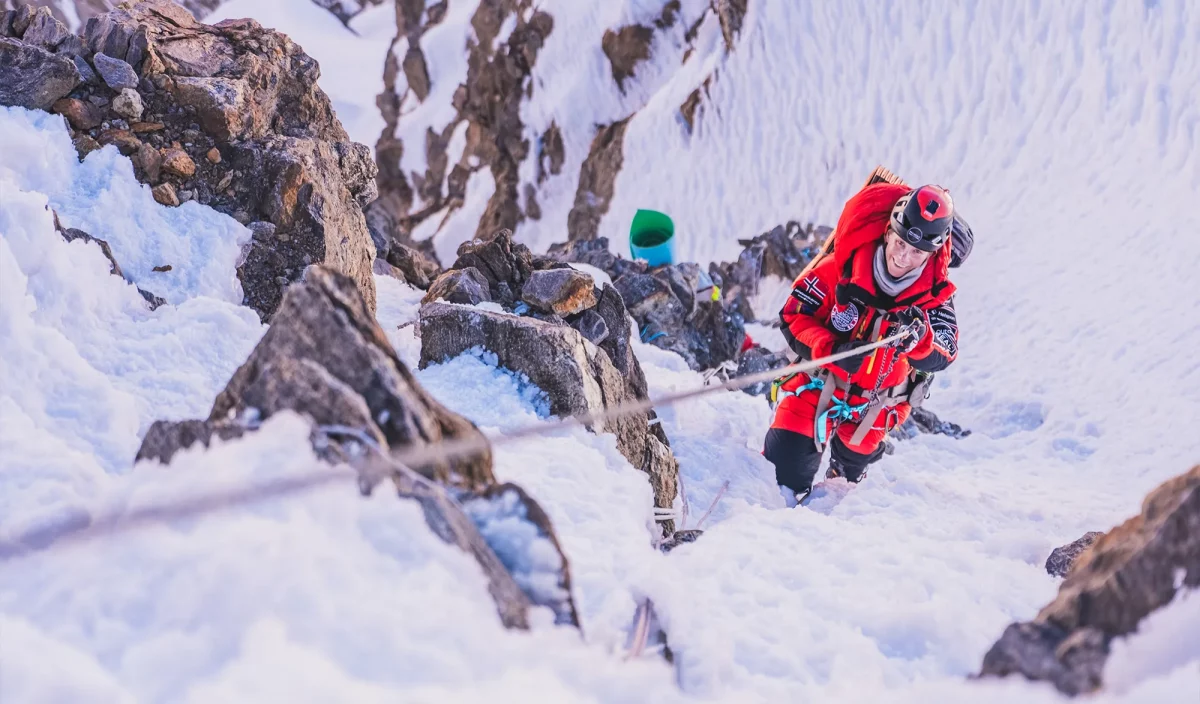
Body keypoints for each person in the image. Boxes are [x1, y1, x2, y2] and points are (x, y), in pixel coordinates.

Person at [764, 182, 961, 501]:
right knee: (780, 477)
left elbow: (946, 349)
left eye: (916, 252)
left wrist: (921, 339)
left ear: (931, 255)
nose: (903, 257)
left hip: (876, 407)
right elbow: (793, 315)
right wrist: (831, 350)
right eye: (899, 243)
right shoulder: (840, 267)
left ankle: (845, 469)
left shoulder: (935, 301)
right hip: (817, 387)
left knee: (845, 493)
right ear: (887, 232)